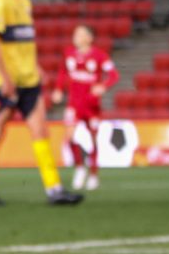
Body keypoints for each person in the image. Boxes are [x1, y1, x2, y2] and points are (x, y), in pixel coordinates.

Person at [0, 0, 83, 207]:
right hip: (8, 82)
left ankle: (54, 189)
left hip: (29, 80)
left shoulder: (25, 1)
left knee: (41, 131)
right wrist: (5, 79)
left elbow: (23, 40)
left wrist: (36, 67)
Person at [51, 24, 119, 192]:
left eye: (80, 34)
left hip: (92, 105)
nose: (76, 37)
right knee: (69, 136)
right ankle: (80, 168)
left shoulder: (99, 55)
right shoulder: (69, 54)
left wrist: (103, 86)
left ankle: (94, 174)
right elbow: (62, 73)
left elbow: (114, 75)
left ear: (89, 38)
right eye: (75, 34)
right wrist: (58, 89)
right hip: (74, 104)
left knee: (93, 139)